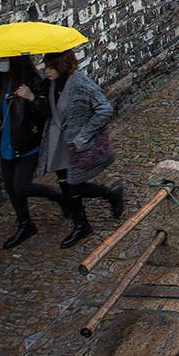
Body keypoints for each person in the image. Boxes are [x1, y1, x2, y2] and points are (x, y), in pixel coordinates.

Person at [0, 54, 65, 249]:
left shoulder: (34, 82)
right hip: (7, 144)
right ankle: (25, 223)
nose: (0, 64)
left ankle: (57, 196)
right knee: (10, 187)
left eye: (4, 60)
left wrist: (31, 98)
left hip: (28, 143)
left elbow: (46, 112)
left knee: (21, 186)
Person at [43, 49, 124, 248]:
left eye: (51, 67)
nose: (47, 71)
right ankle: (81, 224)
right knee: (65, 185)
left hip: (77, 144)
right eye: (46, 67)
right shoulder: (52, 85)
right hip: (60, 143)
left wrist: (84, 135)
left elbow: (104, 108)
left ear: (61, 66)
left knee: (73, 186)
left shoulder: (80, 84)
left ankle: (110, 194)